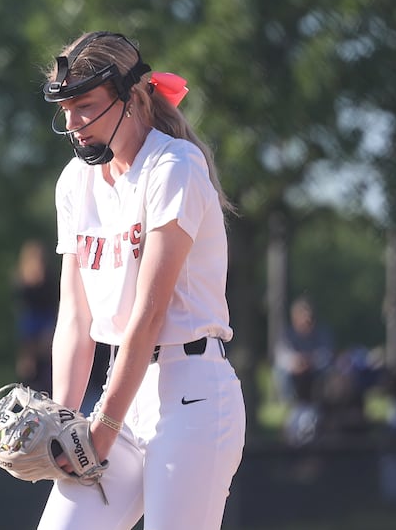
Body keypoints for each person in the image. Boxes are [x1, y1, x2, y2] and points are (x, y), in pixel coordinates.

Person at [35, 31, 246, 530]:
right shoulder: (75, 182)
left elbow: (149, 315)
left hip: (191, 394)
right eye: (64, 108)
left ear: (132, 97)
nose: (71, 123)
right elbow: (74, 318)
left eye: (84, 105)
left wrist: (101, 430)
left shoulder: (174, 166)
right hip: (123, 392)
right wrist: (60, 424)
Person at [272, 295, 334, 443]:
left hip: (315, 376)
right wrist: (296, 362)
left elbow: (326, 355)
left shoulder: (321, 333)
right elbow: (282, 357)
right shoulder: (287, 335)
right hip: (294, 378)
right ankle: (288, 404)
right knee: (281, 373)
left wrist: (309, 361)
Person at [14, 239, 59, 395]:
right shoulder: (21, 280)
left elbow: (54, 302)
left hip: (46, 319)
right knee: (30, 362)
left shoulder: (50, 278)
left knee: (46, 357)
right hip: (31, 321)